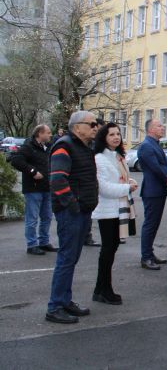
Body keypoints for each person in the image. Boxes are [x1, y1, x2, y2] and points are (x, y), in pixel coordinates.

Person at [45, 111, 99, 324]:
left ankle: (64, 301)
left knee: (71, 259)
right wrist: (73, 205)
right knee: (67, 259)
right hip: (71, 212)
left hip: (82, 210)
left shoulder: (84, 147)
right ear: (77, 127)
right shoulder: (64, 146)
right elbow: (58, 180)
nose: (96, 127)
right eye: (91, 124)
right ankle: (55, 306)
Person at [92, 122, 137, 305]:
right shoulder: (100, 158)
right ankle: (103, 290)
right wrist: (127, 188)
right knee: (108, 250)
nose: (116, 137)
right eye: (111, 134)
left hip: (119, 208)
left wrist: (129, 182)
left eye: (118, 133)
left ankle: (102, 288)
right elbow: (103, 188)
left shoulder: (118, 156)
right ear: (103, 137)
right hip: (108, 210)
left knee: (112, 249)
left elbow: (120, 179)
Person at [10, 124, 55, 255]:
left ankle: (44, 242)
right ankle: (32, 244)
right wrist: (32, 171)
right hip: (33, 189)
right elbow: (15, 160)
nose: (50, 135)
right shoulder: (28, 147)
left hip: (47, 187)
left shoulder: (48, 147)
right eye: (48, 132)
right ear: (40, 134)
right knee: (32, 218)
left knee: (47, 217)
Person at [137, 119, 167, 271]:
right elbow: (155, 168)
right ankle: (146, 257)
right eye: (159, 126)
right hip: (152, 190)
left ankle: (150, 254)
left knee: (154, 224)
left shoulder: (155, 144)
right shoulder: (146, 146)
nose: (162, 128)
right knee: (150, 224)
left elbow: (165, 164)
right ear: (150, 129)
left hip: (158, 190)